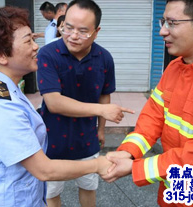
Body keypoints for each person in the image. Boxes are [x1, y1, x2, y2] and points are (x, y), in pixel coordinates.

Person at [0, 6, 112, 207]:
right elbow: (44, 170)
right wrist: (97, 164)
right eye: (28, 41)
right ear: (1, 55)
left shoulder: (7, 87)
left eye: (34, 39)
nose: (36, 47)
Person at [102, 0, 193, 206]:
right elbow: (152, 119)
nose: (163, 31)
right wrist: (127, 152)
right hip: (172, 189)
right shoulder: (174, 68)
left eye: (172, 23)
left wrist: (136, 168)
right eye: (163, 22)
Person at [37, 0, 134, 206]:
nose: (73, 36)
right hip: (52, 137)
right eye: (68, 27)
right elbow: (53, 102)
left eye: (83, 31)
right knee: (51, 192)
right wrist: (102, 110)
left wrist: (101, 129)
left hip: (86, 137)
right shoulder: (47, 54)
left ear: (96, 32)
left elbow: (104, 94)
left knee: (89, 187)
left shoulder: (104, 58)